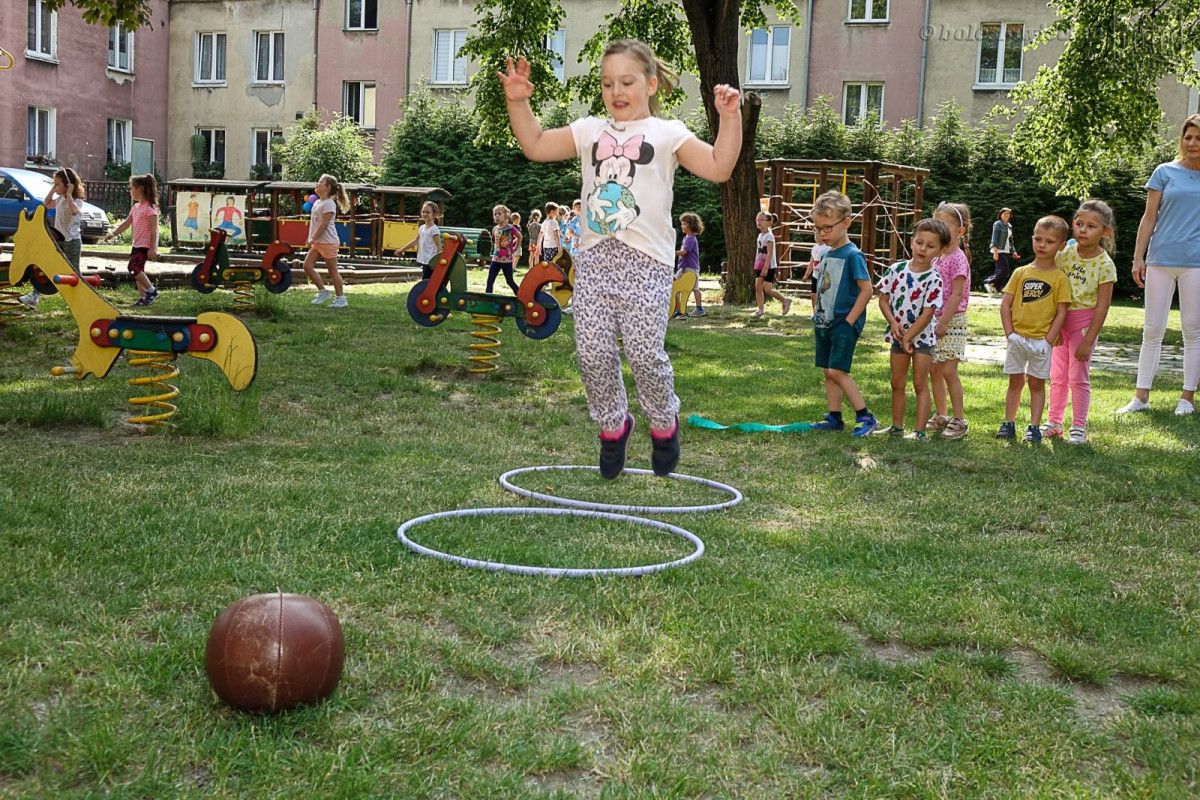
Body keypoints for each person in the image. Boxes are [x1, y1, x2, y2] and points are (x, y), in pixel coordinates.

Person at [499, 38, 743, 478]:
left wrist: (729, 119)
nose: (616, 91)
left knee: (645, 354)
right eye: (608, 83)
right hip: (595, 259)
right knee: (591, 353)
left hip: (647, 261)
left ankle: (664, 422)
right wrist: (518, 102)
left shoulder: (669, 134)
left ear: (651, 84)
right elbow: (535, 144)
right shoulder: (591, 130)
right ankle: (614, 427)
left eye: (627, 81)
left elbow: (719, 167)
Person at [1119, 113, 1200, 416]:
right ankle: (1141, 397)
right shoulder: (1164, 172)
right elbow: (1149, 217)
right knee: (1152, 329)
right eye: (1188, 136)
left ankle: (1187, 399)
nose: (1192, 143)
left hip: (1196, 264)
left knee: (1193, 330)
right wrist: (1138, 257)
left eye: (1198, 138)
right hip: (1160, 260)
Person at [1043, 200, 1117, 443]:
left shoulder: (1105, 265)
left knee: (1078, 377)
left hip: (1084, 326)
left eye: (1091, 226)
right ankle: (1054, 421)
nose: (1083, 230)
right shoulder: (1065, 255)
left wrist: (1088, 340)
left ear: (1105, 232)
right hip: (1060, 323)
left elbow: (1103, 307)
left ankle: (1078, 427)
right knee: (1057, 376)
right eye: (1079, 224)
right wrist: (1051, 327)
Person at [870, 218, 951, 439]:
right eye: (919, 242)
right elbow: (883, 299)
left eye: (930, 245)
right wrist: (894, 324)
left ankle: (919, 431)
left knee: (919, 383)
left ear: (940, 250)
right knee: (896, 382)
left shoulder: (934, 278)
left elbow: (928, 314)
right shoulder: (895, 270)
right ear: (912, 241)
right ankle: (897, 427)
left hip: (922, 340)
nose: (923, 248)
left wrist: (910, 337)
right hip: (898, 336)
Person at [808, 190, 878, 436]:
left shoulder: (852, 255)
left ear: (846, 223)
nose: (822, 234)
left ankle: (865, 416)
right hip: (825, 322)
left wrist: (850, 320)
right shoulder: (827, 253)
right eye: (817, 229)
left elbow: (867, 290)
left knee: (838, 370)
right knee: (829, 370)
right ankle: (834, 417)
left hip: (843, 324)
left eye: (827, 228)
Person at [997, 215, 1072, 443]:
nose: (1042, 245)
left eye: (1049, 241)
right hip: (1017, 339)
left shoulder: (1060, 278)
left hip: (1041, 342)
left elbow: (1062, 312)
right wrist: (1010, 334)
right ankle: (1008, 423)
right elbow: (1006, 305)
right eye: (1038, 239)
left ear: (1060, 246)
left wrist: (1048, 340)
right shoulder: (1021, 272)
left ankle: (1034, 426)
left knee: (1036, 384)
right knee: (1015, 381)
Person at [927, 202, 972, 440]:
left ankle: (959, 419)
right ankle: (941, 414)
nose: (938, 230)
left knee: (948, 370)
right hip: (933, 319)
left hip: (952, 320)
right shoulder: (938, 258)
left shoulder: (957, 258)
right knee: (934, 369)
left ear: (960, 231)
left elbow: (956, 294)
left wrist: (943, 322)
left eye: (943, 225)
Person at [20, 167, 85, 309]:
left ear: (68, 186)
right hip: (59, 241)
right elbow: (46, 203)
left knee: (74, 273)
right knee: (46, 265)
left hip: (72, 241)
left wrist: (68, 194)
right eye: (54, 184)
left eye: (57, 184)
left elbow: (74, 211)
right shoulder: (60, 200)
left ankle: (81, 301)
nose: (55, 187)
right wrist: (53, 188)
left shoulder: (76, 201)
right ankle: (34, 296)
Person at [102, 173, 160, 307]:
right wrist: (113, 233)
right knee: (138, 271)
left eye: (131, 188)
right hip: (137, 244)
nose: (130, 191)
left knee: (133, 268)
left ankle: (152, 291)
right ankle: (143, 298)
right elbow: (126, 223)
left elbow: (154, 230)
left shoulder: (150, 209)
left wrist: (153, 248)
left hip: (144, 245)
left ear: (139, 190)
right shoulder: (136, 207)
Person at [302, 174, 350, 308]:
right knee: (307, 266)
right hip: (318, 242)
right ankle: (323, 292)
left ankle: (341, 298)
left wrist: (313, 238)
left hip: (328, 242)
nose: (317, 184)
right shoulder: (317, 202)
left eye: (320, 182)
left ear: (328, 187)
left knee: (332, 270)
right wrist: (310, 237)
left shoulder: (329, 203)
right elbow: (315, 223)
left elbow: (324, 224)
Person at [753, 211, 792, 317]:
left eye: (762, 220)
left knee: (767, 289)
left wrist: (765, 267)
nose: (759, 222)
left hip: (768, 266)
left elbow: (769, 253)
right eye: (758, 220)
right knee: (758, 287)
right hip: (759, 265)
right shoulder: (760, 235)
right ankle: (761, 309)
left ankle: (785, 300)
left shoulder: (769, 236)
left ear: (769, 222)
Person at [395, 201, 442, 281]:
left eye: (428, 212)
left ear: (434, 214)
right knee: (426, 281)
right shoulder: (422, 228)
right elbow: (415, 241)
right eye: (423, 211)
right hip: (425, 260)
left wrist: (437, 261)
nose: (425, 214)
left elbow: (438, 245)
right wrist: (402, 249)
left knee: (426, 282)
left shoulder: (434, 229)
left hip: (431, 261)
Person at [486, 204, 523, 294]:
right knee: (490, 281)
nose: (497, 216)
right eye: (495, 214)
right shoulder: (495, 228)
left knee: (509, 281)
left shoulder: (510, 228)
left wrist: (515, 248)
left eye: (499, 214)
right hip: (495, 259)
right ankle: (487, 299)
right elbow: (495, 241)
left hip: (507, 260)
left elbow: (519, 236)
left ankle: (521, 296)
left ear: (505, 215)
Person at [674, 212, 704, 317]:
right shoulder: (686, 238)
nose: (682, 226)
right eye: (682, 224)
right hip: (683, 267)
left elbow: (684, 252)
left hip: (691, 268)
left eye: (684, 224)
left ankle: (699, 308)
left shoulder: (691, 238)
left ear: (691, 225)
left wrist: (672, 252)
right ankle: (678, 308)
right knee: (675, 285)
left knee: (695, 288)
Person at [984, 207, 1019, 295]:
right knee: (1004, 269)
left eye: (1008, 213)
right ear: (1000, 215)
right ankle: (989, 282)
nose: (1006, 215)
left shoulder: (1009, 225)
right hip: (999, 250)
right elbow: (994, 238)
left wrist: (1013, 252)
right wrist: (995, 252)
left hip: (1006, 250)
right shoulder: (998, 224)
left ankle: (997, 289)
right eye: (1004, 213)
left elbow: (1010, 241)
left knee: (1000, 270)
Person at [801, 241, 831, 311]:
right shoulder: (814, 248)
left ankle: (824, 313)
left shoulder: (827, 248)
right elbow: (812, 262)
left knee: (822, 296)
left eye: (818, 234)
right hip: (815, 275)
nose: (816, 236)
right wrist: (806, 275)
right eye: (815, 234)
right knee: (813, 296)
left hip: (824, 276)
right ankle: (815, 313)